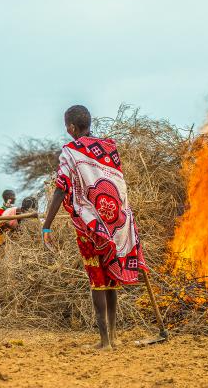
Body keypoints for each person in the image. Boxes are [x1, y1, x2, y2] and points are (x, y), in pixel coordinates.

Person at [42, 105, 147, 350]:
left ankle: (104, 342)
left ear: (70, 127)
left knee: (97, 278)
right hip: (117, 222)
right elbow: (118, 184)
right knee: (111, 277)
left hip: (91, 225)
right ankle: (113, 336)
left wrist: (46, 226)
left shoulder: (70, 151)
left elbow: (61, 188)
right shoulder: (109, 147)